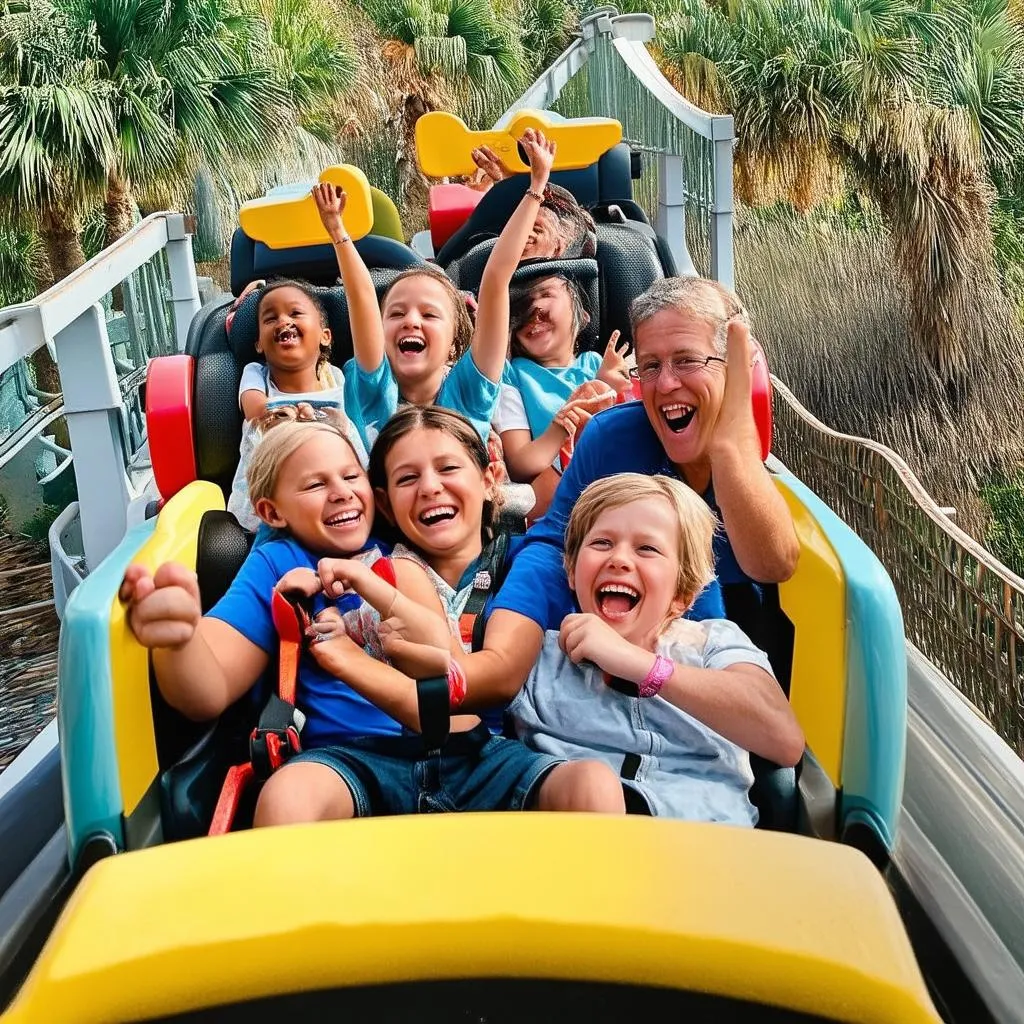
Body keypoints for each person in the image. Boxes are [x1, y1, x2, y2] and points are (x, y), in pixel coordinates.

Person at [427, 276, 800, 733]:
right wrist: (504, 651)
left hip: (711, 659)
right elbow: (551, 542)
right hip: (610, 649)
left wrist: (728, 452)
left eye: (687, 361)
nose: (665, 384)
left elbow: (774, 564)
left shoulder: (740, 455)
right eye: (650, 366)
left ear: (734, 366)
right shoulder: (613, 437)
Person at [510, 474, 805, 820]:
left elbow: (784, 741)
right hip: (585, 842)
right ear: (572, 570)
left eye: (646, 549)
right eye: (602, 543)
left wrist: (642, 665)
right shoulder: (539, 654)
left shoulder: (712, 643)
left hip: (702, 847)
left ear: (682, 594)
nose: (619, 559)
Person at [311, 128, 566, 452]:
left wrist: (536, 187)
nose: (410, 321)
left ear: (453, 347)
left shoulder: (470, 391)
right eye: (396, 313)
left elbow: (496, 279)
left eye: (429, 314)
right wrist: (338, 232)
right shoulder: (375, 390)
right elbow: (360, 298)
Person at [226, 279, 366, 531]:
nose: (283, 321)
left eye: (295, 313)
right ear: (258, 343)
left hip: (335, 478)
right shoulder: (256, 373)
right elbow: (255, 410)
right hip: (275, 477)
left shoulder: (336, 376)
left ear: (325, 336)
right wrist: (288, 420)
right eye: (270, 319)